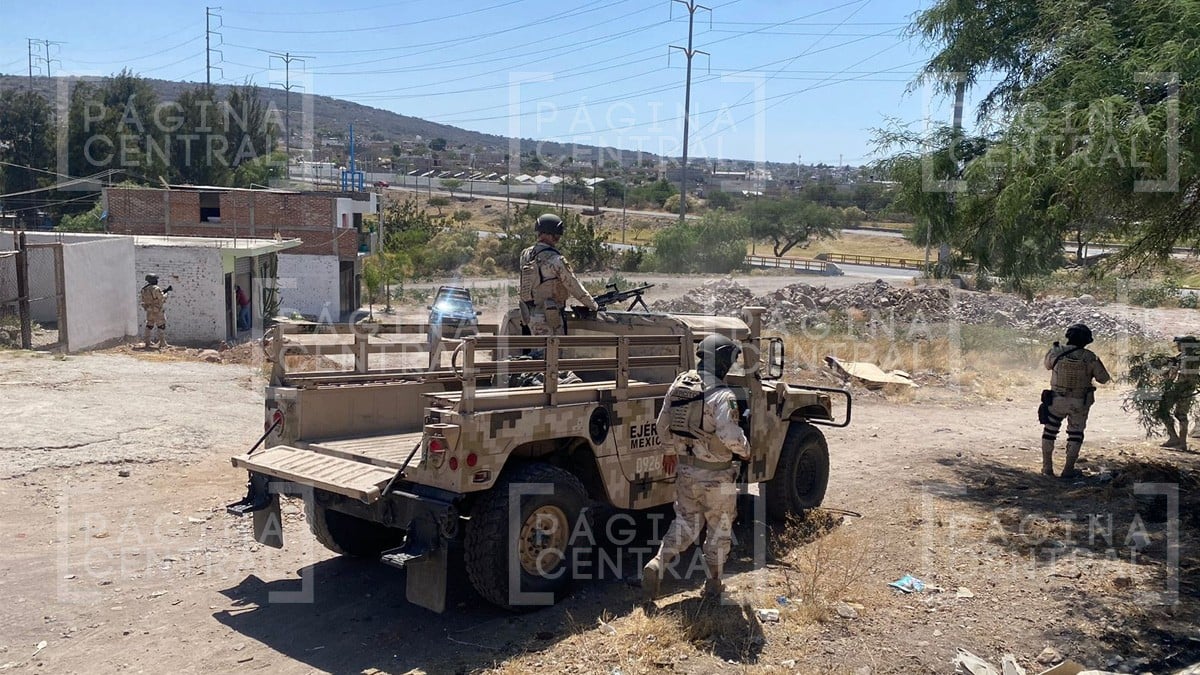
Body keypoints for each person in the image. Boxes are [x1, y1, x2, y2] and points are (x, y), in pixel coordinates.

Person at [642, 334, 750, 602]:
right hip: (718, 475)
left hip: (686, 471)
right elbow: (731, 438)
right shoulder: (724, 395)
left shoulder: (680, 384)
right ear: (723, 361)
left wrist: (670, 450)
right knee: (719, 527)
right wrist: (747, 451)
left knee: (686, 522)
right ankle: (713, 584)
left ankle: (658, 562)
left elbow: (660, 425)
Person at [1040, 323, 1111, 479]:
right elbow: (1104, 379)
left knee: (1049, 432)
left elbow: (1047, 365)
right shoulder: (1090, 357)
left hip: (1056, 400)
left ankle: (1047, 468)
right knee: (1075, 435)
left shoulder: (1056, 352)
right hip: (1079, 402)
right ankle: (1068, 470)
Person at [518, 213, 600, 341]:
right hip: (549, 316)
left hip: (529, 314)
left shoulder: (526, 254)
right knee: (553, 354)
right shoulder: (555, 260)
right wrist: (593, 305)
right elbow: (573, 285)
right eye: (557, 235)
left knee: (538, 351)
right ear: (553, 235)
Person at [1157, 335, 1200, 450]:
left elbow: (1183, 376)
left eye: (1179, 344)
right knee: (1181, 415)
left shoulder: (1187, 358)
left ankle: (1176, 439)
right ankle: (1180, 442)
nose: (1177, 346)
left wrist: (1170, 373)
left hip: (1181, 390)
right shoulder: (1189, 356)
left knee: (1163, 411)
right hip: (1186, 389)